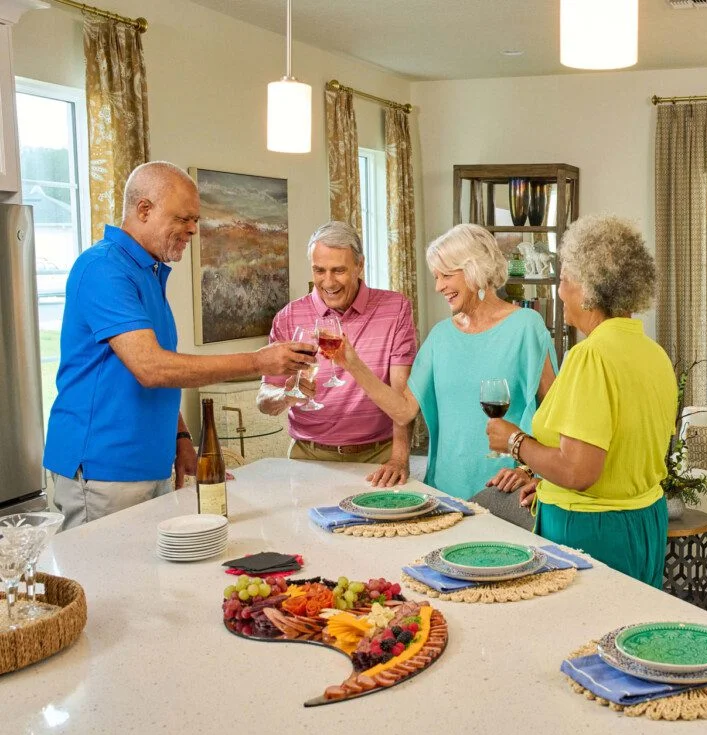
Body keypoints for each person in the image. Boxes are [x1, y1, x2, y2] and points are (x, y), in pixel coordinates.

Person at [43, 161, 317, 529]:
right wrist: (258, 362)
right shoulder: (103, 269)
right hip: (104, 467)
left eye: (197, 220)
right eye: (184, 218)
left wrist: (182, 439)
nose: (192, 230)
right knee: (108, 584)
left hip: (149, 462)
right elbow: (152, 369)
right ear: (144, 210)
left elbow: (163, 367)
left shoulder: (148, 272)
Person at [486, 215, 677, 588]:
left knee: (582, 641)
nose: (559, 291)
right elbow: (622, 451)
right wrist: (542, 478)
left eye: (563, 279)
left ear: (588, 290)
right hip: (646, 521)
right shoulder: (654, 354)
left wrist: (515, 442)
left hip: (594, 532)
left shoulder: (591, 357)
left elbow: (579, 473)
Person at [329, 224, 556, 499]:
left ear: (475, 269)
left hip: (507, 489)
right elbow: (403, 411)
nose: (438, 287)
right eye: (436, 277)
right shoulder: (440, 336)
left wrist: (531, 471)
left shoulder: (526, 326)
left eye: (447, 275)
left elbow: (555, 413)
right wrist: (352, 363)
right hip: (445, 490)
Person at [256, 221, 417, 486]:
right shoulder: (288, 317)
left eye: (339, 270)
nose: (328, 282)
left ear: (360, 265)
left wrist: (399, 458)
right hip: (307, 455)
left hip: (377, 455)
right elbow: (264, 401)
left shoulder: (395, 308)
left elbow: (402, 396)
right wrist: (286, 395)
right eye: (319, 270)